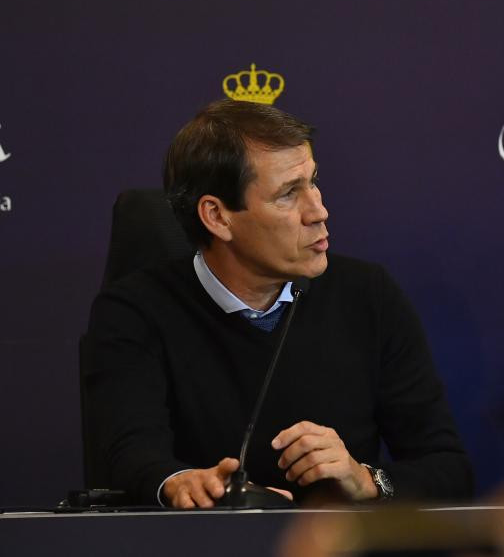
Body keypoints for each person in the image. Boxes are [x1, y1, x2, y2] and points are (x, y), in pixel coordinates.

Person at [85, 100, 473, 507]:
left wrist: (366, 479)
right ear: (217, 217)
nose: (319, 211)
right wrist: (184, 484)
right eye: (288, 194)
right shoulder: (133, 312)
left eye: (313, 181)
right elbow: (130, 456)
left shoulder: (367, 295)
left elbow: (448, 469)